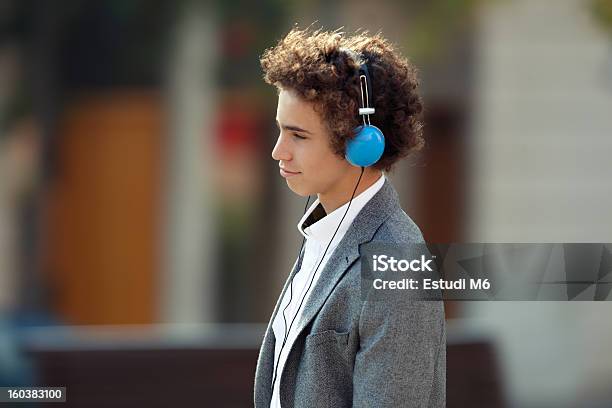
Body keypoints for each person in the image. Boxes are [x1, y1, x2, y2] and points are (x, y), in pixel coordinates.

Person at [254, 26, 445, 408]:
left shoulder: (398, 264)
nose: (278, 151)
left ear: (362, 144)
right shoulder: (324, 233)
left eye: (298, 136)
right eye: (280, 131)